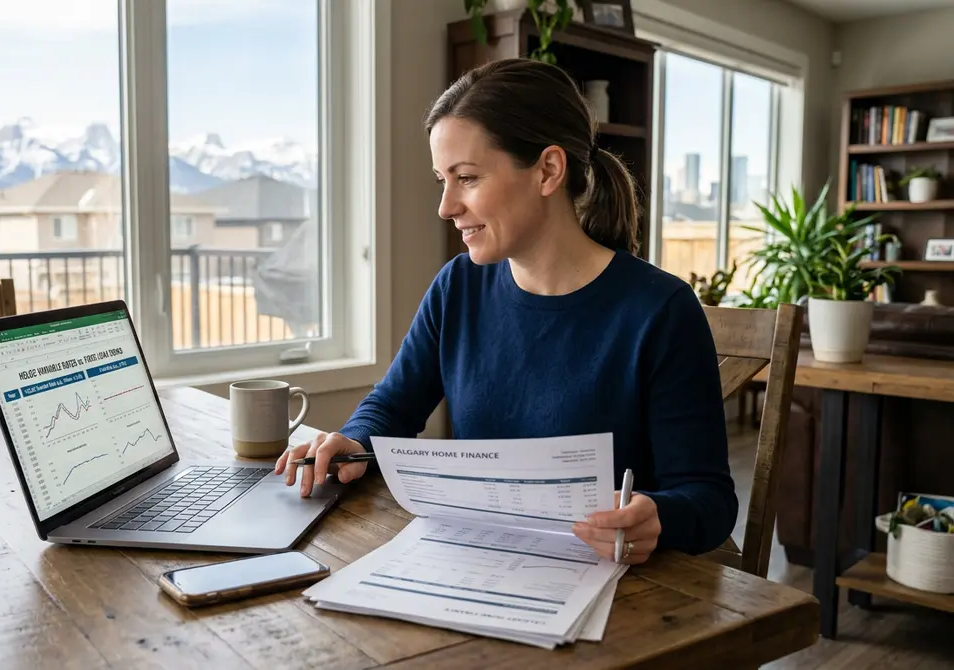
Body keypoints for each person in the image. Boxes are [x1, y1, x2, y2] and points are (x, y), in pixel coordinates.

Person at [273, 58, 737, 564]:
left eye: (467, 178)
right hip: (480, 565)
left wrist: (658, 514)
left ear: (548, 170)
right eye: (441, 181)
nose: (446, 206)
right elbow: (393, 407)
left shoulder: (661, 310)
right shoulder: (457, 288)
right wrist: (352, 439)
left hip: (616, 592)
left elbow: (708, 500)